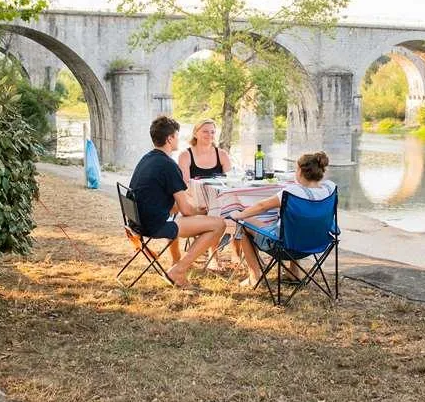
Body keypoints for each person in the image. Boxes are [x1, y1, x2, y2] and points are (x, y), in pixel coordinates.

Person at [128, 115, 225, 288]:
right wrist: (200, 212)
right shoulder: (168, 165)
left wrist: (194, 213)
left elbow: (162, 200)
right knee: (219, 225)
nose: (178, 139)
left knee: (199, 219)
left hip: (136, 222)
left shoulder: (147, 158)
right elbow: (186, 210)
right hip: (154, 226)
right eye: (176, 136)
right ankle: (178, 270)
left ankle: (179, 263)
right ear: (169, 139)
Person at [228, 151, 335, 286]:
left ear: (300, 171)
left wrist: (238, 215)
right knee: (295, 225)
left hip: (285, 248)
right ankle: (294, 272)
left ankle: (254, 276)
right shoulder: (329, 189)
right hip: (317, 243)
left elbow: (262, 206)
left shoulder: (291, 192)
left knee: (244, 223)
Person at [177, 119, 235, 270]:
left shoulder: (222, 154)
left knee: (237, 208)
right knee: (212, 210)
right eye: (205, 131)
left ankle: (237, 255)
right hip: (194, 201)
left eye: (212, 132)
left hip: (219, 199)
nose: (209, 135)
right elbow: (184, 185)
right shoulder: (185, 155)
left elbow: (231, 181)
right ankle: (213, 255)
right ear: (196, 133)